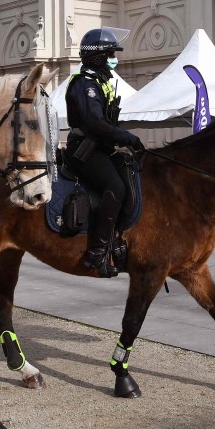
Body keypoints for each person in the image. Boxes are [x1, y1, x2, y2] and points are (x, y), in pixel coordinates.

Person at [65, 28, 144, 277]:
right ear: (97, 57)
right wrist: (128, 138)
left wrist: (125, 144)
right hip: (84, 149)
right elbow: (96, 124)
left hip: (101, 146)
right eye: (110, 53)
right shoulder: (84, 84)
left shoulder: (100, 82)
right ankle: (97, 252)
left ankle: (119, 238)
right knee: (116, 188)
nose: (115, 58)